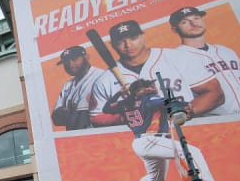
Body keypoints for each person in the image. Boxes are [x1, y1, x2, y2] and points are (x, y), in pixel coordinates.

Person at [103, 79, 235, 181]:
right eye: (149, 86)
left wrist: (119, 93)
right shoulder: (149, 97)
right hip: (151, 139)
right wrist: (185, 105)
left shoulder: (125, 104)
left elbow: (106, 109)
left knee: (156, 177)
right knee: (191, 152)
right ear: (141, 90)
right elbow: (164, 103)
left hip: (143, 142)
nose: (153, 87)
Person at [90, 20, 225, 127]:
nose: (128, 45)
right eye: (120, 41)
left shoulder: (176, 57)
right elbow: (95, 118)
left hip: (186, 129)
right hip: (140, 139)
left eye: (133, 38)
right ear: (113, 45)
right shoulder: (104, 80)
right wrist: (125, 118)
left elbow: (215, 93)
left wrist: (188, 110)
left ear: (143, 37)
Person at [169, 6, 240, 114]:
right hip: (219, 120)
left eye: (196, 18)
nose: (193, 23)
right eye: (184, 22)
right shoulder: (177, 57)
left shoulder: (225, 51)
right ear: (175, 30)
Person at [51, 45, 103, 130]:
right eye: (66, 62)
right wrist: (75, 114)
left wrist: (68, 112)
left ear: (86, 57)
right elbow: (56, 119)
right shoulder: (67, 85)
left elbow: (84, 119)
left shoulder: (101, 77)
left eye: (74, 59)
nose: (70, 65)